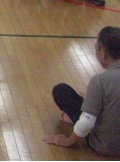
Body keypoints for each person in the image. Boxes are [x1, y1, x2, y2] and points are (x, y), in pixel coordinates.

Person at [43, 26, 120, 157]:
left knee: (61, 90)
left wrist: (67, 141)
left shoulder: (99, 81)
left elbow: (87, 122)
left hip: (105, 146)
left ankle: (78, 116)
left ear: (103, 53)